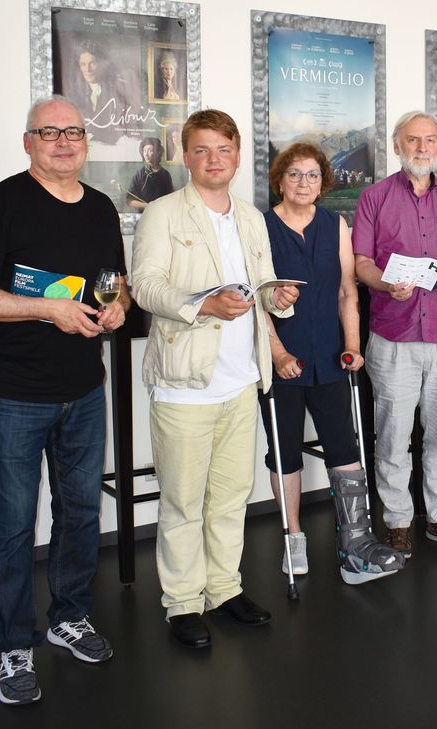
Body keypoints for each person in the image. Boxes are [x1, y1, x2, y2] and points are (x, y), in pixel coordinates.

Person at [0, 96, 128, 705]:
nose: (63, 142)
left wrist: (117, 307)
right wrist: (47, 309)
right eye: (49, 133)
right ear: (28, 142)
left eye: (73, 131)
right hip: (14, 394)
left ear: (85, 141)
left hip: (83, 390)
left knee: (80, 513)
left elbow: (114, 284)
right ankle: (13, 646)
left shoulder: (101, 207)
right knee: (14, 524)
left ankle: (68, 617)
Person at [130, 109, 300, 648]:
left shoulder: (250, 217)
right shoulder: (162, 213)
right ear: (186, 156)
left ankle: (224, 590)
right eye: (202, 149)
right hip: (184, 384)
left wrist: (278, 296)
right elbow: (145, 287)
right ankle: (182, 602)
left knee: (230, 498)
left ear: (237, 155)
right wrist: (204, 304)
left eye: (223, 150)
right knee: (183, 502)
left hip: (241, 381)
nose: (213, 159)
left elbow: (263, 287)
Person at [261, 142, 405, 583]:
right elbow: (256, 301)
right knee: (285, 453)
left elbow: (347, 291)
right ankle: (293, 537)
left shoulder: (335, 225)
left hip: (329, 355)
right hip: (281, 358)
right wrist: (278, 353)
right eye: (294, 174)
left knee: (343, 446)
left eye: (312, 175)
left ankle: (356, 542)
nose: (303, 182)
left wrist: (353, 345)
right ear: (280, 180)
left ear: (323, 182)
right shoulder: (260, 226)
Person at [353, 110, 437, 556]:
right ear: (397, 146)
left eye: (430, 139)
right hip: (394, 338)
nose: (422, 147)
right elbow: (361, 262)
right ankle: (397, 521)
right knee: (393, 436)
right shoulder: (374, 198)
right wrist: (384, 283)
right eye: (413, 140)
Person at [67, 39, 136, 146]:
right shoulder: (73, 93)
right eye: (83, 64)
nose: (87, 69)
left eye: (92, 63)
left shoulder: (119, 88)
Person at [127, 137, 175, 211]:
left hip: (161, 213)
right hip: (144, 214)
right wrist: (147, 206)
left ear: (157, 153)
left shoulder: (165, 174)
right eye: (144, 150)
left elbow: (170, 198)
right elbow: (129, 201)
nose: (146, 154)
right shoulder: (139, 174)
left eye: (150, 150)